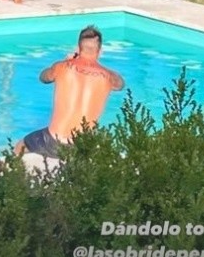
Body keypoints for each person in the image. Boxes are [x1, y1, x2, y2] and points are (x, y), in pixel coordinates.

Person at [14, 25, 124, 158]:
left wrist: (68, 61)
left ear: (77, 49)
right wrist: (103, 70)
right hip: (82, 146)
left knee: (20, 146)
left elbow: (43, 77)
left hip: (52, 142)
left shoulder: (61, 67)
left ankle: (11, 168)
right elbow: (120, 85)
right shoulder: (108, 77)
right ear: (100, 51)